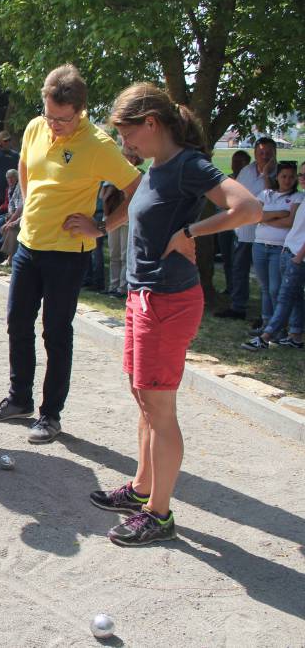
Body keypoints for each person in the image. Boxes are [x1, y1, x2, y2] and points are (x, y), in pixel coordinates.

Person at [81, 82, 260, 546]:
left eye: (128, 135)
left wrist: (191, 230)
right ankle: (142, 489)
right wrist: (101, 227)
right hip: (143, 296)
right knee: (144, 397)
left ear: (152, 123)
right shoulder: (157, 167)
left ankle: (159, 515)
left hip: (168, 300)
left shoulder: (187, 165)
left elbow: (249, 208)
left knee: (160, 407)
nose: (126, 146)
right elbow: (137, 215)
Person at [0, 64, 142, 445]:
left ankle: (50, 414)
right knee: (17, 323)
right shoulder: (38, 127)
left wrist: (102, 227)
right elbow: (24, 164)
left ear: (81, 110)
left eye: (62, 120)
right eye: (49, 115)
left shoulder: (98, 144)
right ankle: (19, 398)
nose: (53, 125)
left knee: (56, 332)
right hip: (28, 245)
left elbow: (140, 188)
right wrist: (25, 204)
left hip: (68, 254)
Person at [242, 161, 305, 350]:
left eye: (298, 176)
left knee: (283, 295)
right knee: (291, 296)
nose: (300, 178)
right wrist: (278, 214)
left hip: (295, 255)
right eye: (301, 174)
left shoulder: (298, 197)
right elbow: (256, 215)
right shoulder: (273, 194)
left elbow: (290, 221)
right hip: (287, 250)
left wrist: (298, 256)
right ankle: (296, 335)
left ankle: (266, 336)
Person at [216, 137, 277, 319]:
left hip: (265, 233)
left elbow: (272, 199)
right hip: (243, 230)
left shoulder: (280, 172)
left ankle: (268, 314)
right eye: (261, 153)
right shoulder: (247, 171)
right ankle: (238, 307)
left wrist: (266, 174)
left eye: (268, 153)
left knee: (266, 278)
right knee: (239, 270)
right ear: (255, 153)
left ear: (274, 153)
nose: (264, 156)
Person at [103, 149, 144, 297]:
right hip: (112, 217)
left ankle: (122, 287)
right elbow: (105, 196)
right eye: (128, 156)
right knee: (114, 253)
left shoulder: (139, 175)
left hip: (128, 219)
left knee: (125, 254)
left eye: (133, 157)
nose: (130, 159)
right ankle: (113, 285)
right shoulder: (114, 173)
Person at [217, 150, 251, 294]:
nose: (235, 164)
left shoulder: (248, 182)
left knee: (238, 261)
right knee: (227, 259)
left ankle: (238, 290)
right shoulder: (226, 180)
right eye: (234, 161)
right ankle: (230, 287)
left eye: (239, 162)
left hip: (240, 226)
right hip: (223, 225)